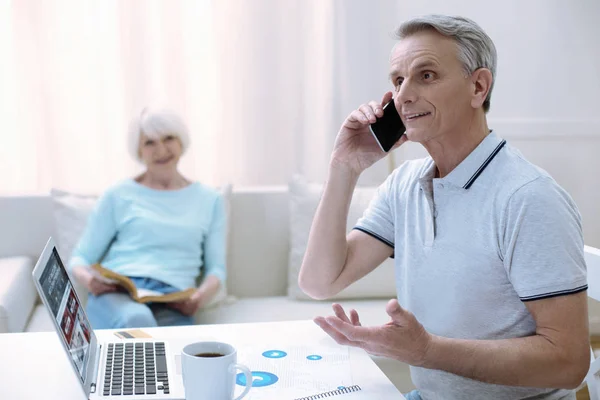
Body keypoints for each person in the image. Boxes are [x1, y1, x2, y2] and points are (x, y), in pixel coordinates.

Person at [298, 14, 589, 400]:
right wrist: (343, 168)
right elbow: (321, 282)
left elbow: (569, 363)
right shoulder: (404, 185)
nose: (403, 96)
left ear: (478, 87)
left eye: (427, 75)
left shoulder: (528, 198)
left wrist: (427, 352)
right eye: (397, 81)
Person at [70, 108, 226, 329]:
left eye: (168, 138)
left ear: (181, 141)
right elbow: (79, 258)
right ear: (139, 151)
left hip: (174, 300)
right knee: (137, 320)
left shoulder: (210, 200)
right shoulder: (118, 194)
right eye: (149, 143)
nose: (160, 149)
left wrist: (199, 297)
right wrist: (90, 281)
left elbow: (217, 269)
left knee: (174, 353)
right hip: (120, 294)